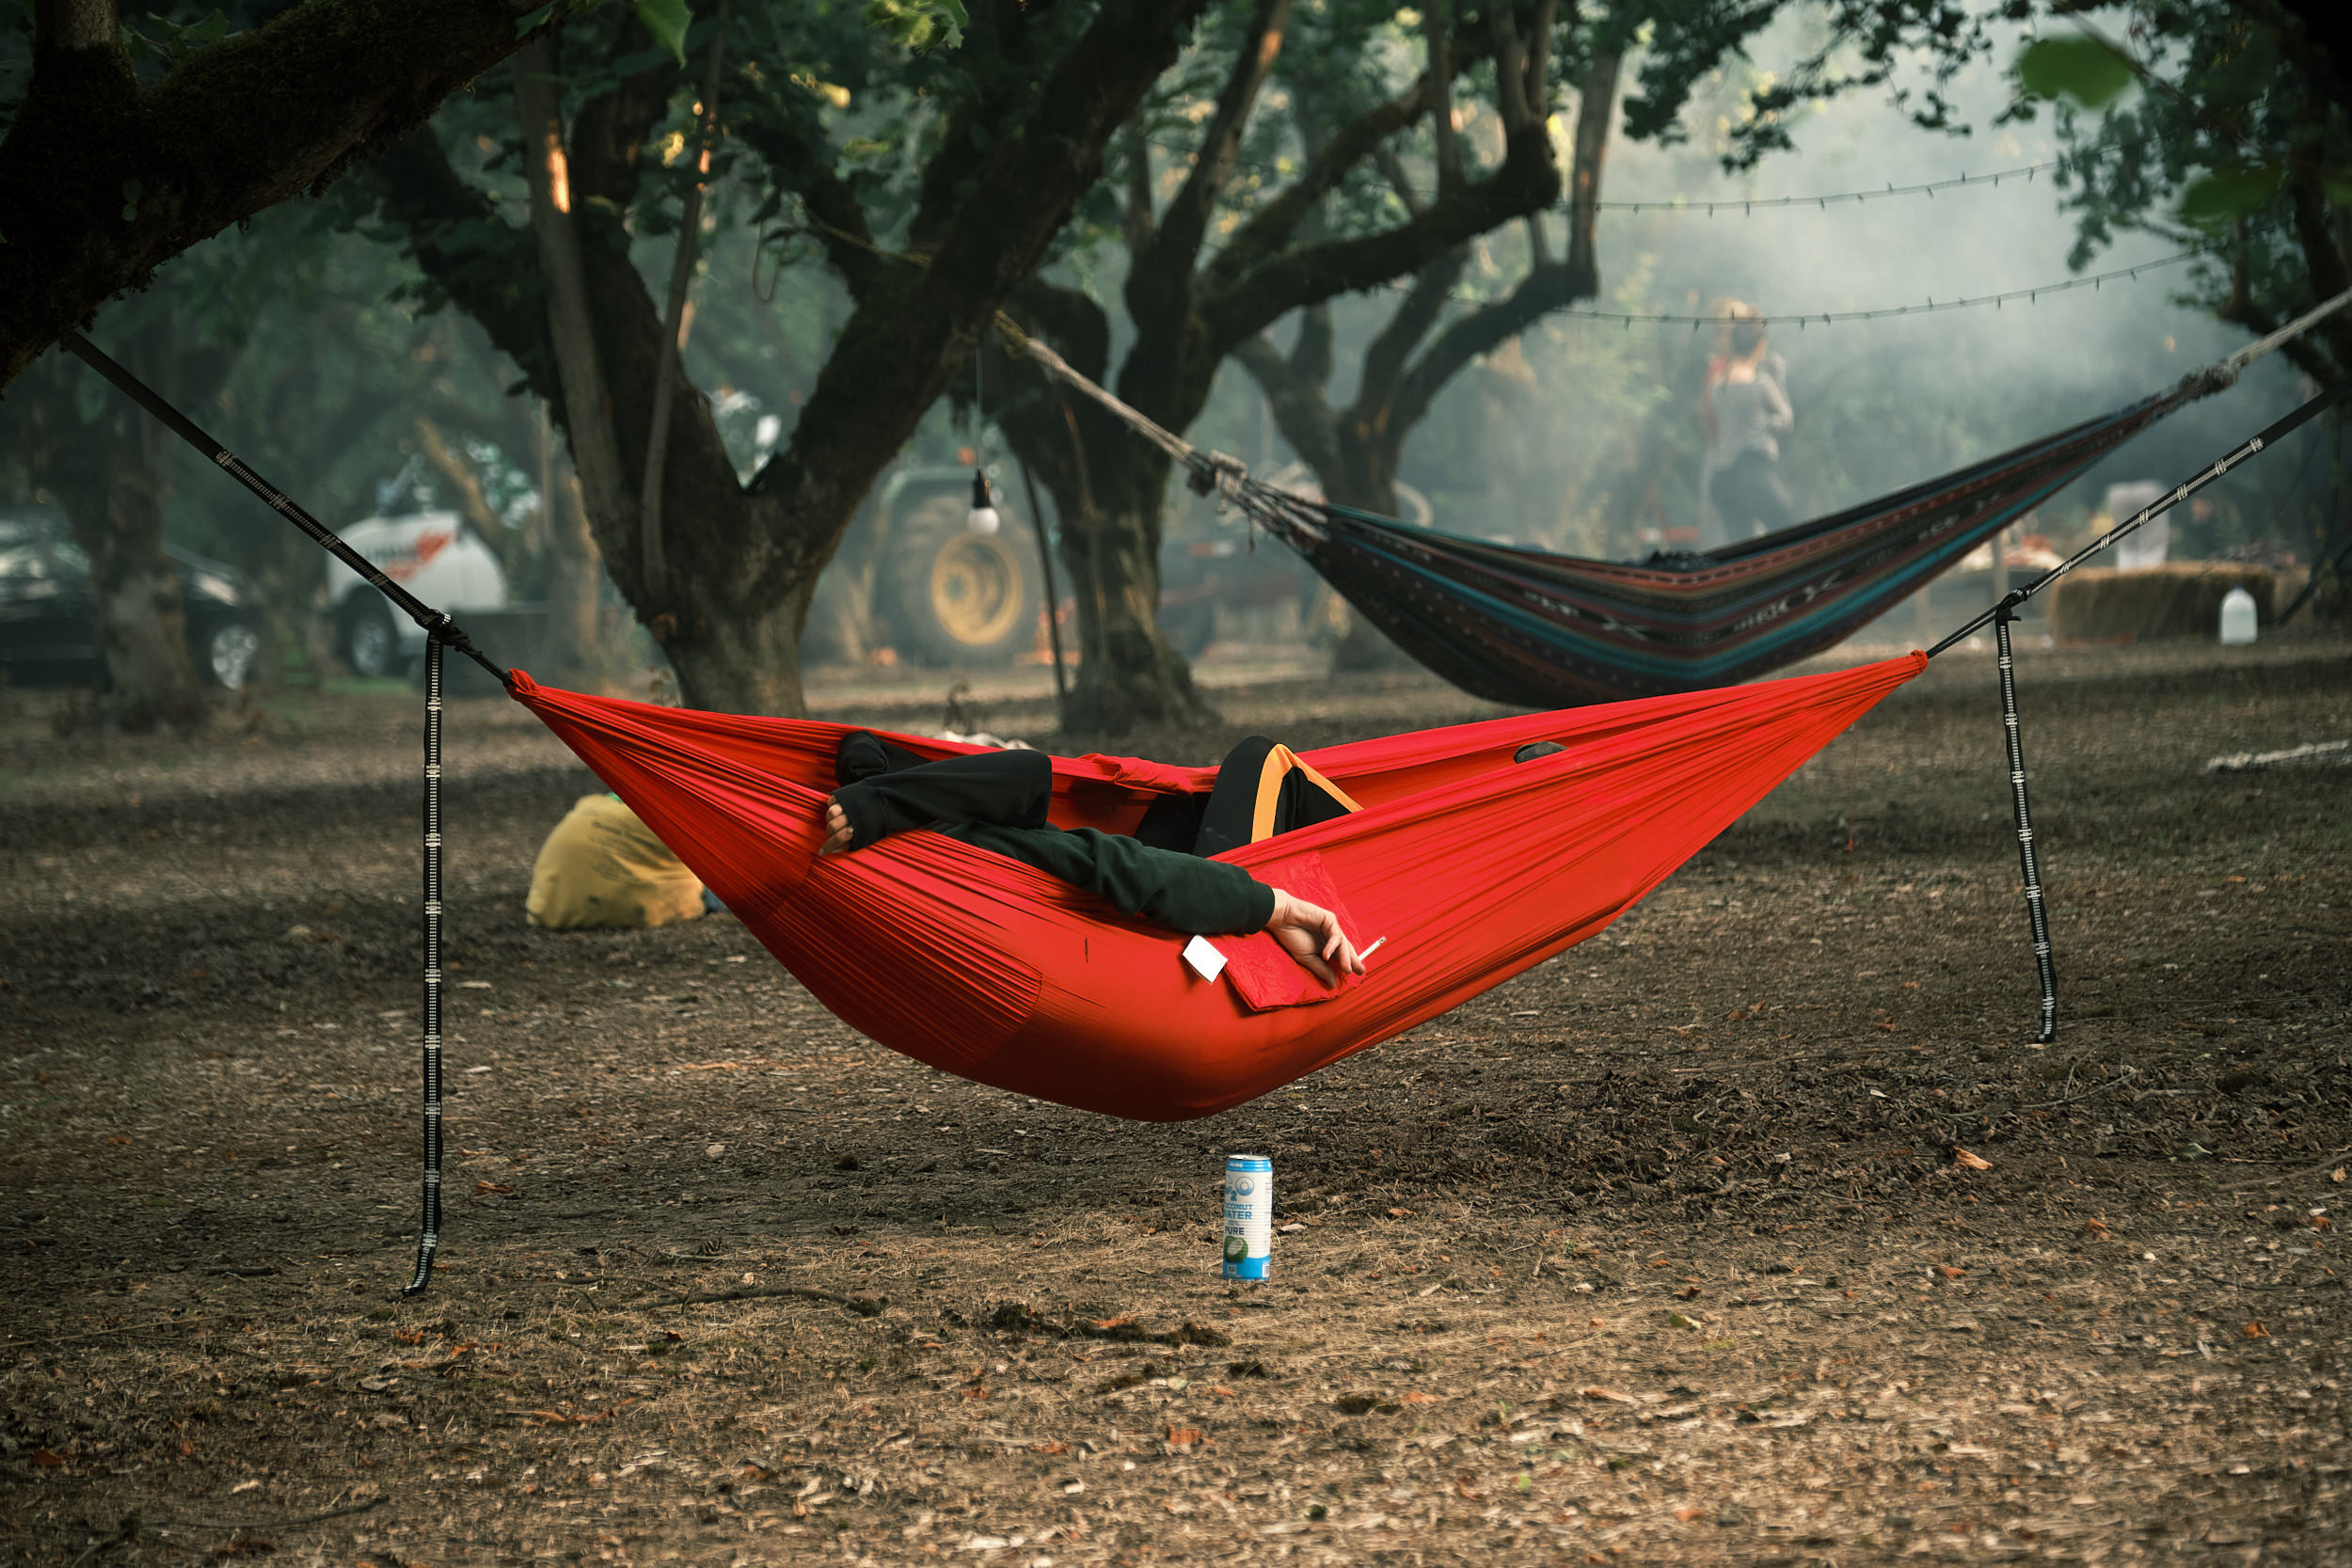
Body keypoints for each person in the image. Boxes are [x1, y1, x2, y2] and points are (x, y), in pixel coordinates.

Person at [818, 731, 1371, 985]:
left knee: (1190, 806)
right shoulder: (978, 853)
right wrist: (1275, 908)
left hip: (1120, 888)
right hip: (1155, 925)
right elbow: (1131, 870)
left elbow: (861, 748)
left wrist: (872, 802)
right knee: (1264, 762)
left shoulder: (914, 832)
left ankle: (1396, 845)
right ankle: (1385, 858)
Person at [1701, 316, 1795, 545]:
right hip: (1753, 471)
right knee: (1787, 528)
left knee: (1742, 546)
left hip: (1722, 479)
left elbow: (1713, 428)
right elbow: (1786, 420)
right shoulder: (1761, 383)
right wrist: (1779, 378)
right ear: (1760, 346)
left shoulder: (1718, 386)